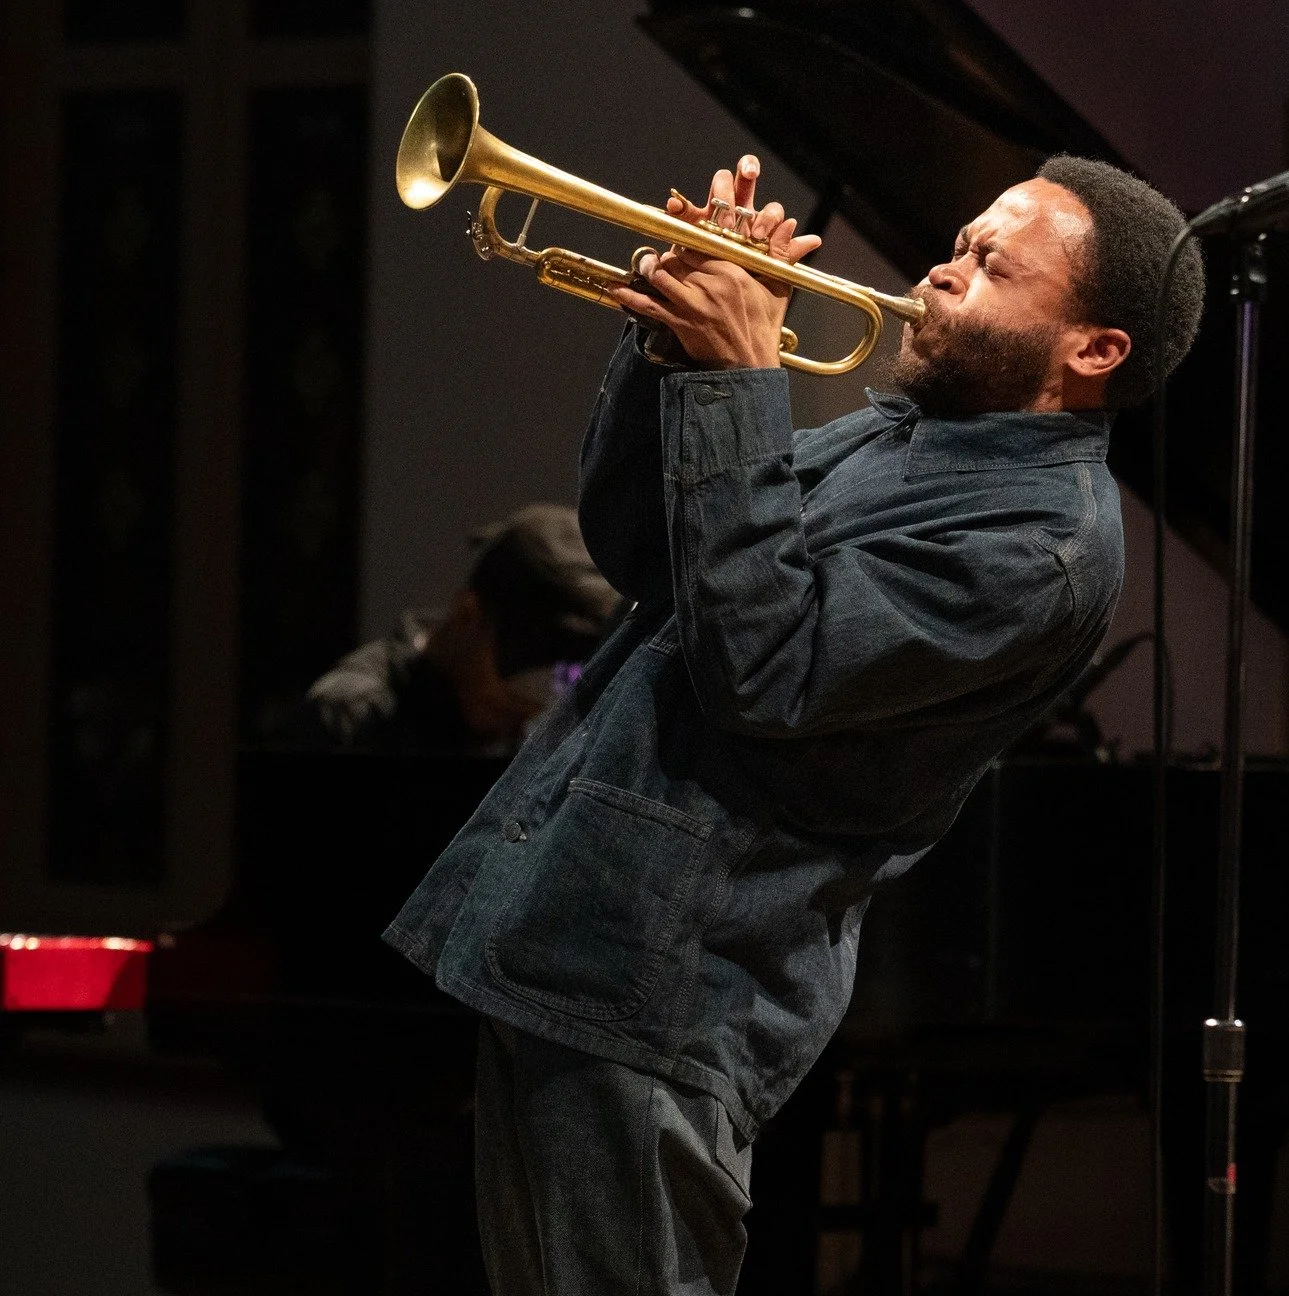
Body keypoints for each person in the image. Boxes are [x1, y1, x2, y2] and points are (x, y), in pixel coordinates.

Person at [384, 153, 1205, 1294]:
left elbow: (766, 670)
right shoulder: (899, 438)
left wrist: (736, 381)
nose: (942, 268)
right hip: (570, 931)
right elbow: (643, 557)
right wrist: (670, 355)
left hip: (662, 982)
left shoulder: (1043, 545)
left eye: (987, 262)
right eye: (957, 243)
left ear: (1094, 350)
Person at [294, 503, 618, 755]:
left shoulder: (525, 727)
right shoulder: (351, 718)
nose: (520, 724)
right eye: (504, 708)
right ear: (468, 615)